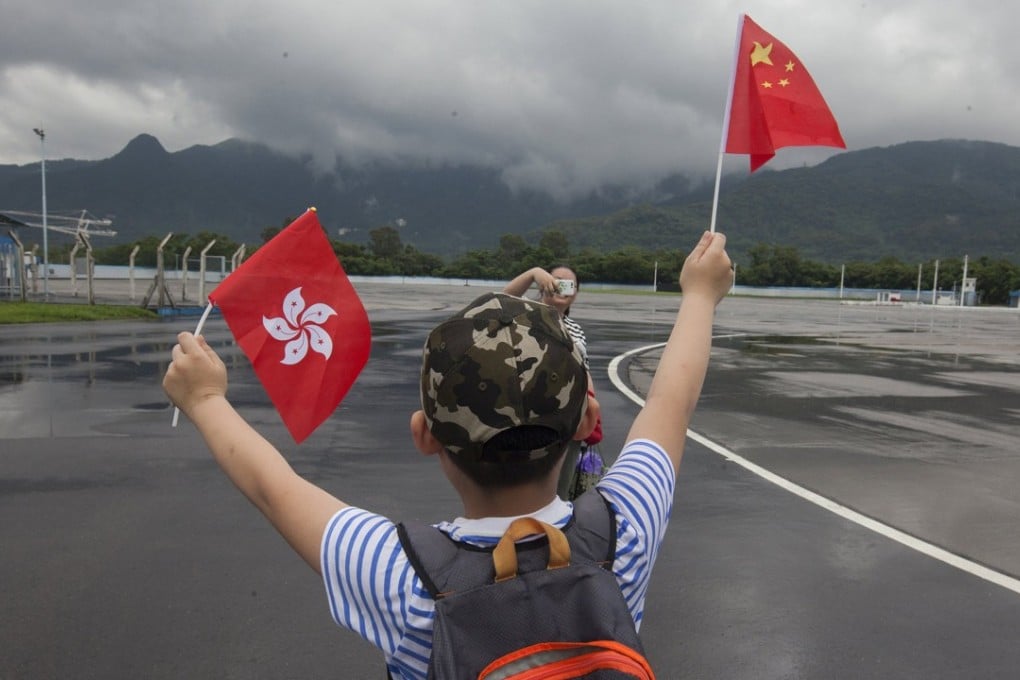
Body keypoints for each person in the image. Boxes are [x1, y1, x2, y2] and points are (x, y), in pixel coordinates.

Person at [162, 231, 732, 680]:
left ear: (424, 434)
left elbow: (273, 487)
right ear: (586, 420)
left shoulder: (404, 580)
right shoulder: (621, 536)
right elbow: (670, 401)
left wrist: (206, 399)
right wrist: (700, 295)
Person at [503, 264, 592, 498]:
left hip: (566, 421)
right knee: (517, 487)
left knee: (559, 492)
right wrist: (532, 273)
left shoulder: (576, 329)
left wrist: (590, 412)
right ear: (543, 285)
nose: (561, 287)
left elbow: (584, 372)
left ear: (575, 293)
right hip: (525, 420)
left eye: (568, 284)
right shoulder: (524, 315)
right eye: (555, 281)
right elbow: (501, 299)